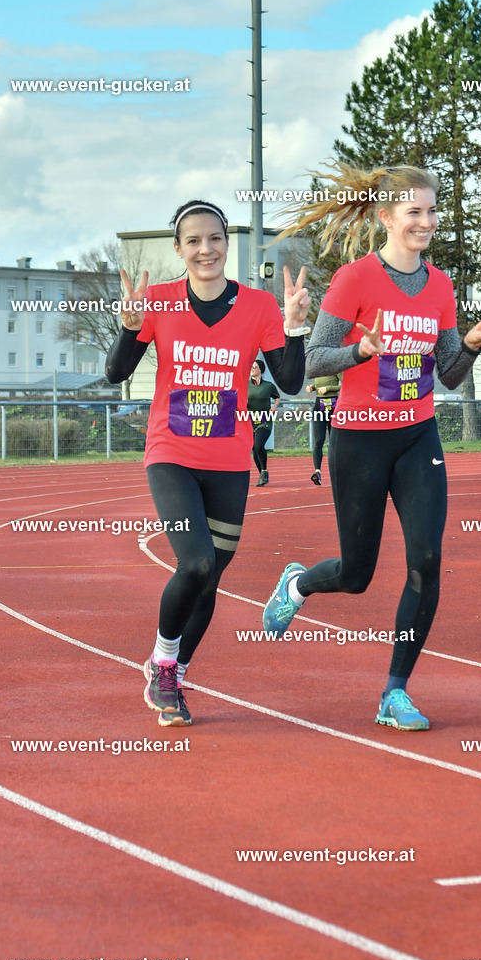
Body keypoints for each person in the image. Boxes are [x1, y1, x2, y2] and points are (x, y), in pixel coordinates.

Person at [263, 163, 481, 731]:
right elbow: (310, 363)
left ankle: (394, 692)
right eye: (414, 212)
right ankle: (298, 583)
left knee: (426, 561)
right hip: (358, 440)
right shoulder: (355, 279)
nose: (426, 222)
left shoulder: (442, 285)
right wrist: (361, 352)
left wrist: (471, 343)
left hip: (417, 436)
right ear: (386, 218)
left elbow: (448, 373)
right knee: (357, 573)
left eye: (431, 211)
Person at [105, 199, 310, 726]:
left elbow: (288, 382)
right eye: (193, 241)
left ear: (226, 243)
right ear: (180, 250)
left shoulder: (260, 305)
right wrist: (129, 327)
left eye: (215, 239)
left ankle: (176, 670)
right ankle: (163, 663)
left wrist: (295, 328)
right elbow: (116, 373)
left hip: (228, 459)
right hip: (171, 453)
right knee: (193, 563)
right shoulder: (160, 301)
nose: (206, 249)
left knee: (210, 578)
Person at [248, 359, 280, 486]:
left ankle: (264, 471)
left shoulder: (268, 386)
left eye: (254, 367)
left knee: (259, 445)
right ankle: (262, 473)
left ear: (260, 370)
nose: (252, 369)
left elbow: (277, 397)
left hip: (264, 420)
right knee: (254, 449)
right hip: (250, 421)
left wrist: (274, 407)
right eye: (250, 367)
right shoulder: (245, 385)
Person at [305, 374, 341, 484]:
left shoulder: (336, 368)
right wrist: (312, 387)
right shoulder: (318, 369)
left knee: (334, 441)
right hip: (319, 405)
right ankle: (317, 472)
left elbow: (345, 386)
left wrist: (328, 388)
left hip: (333, 406)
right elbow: (318, 385)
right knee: (318, 440)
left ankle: (338, 471)